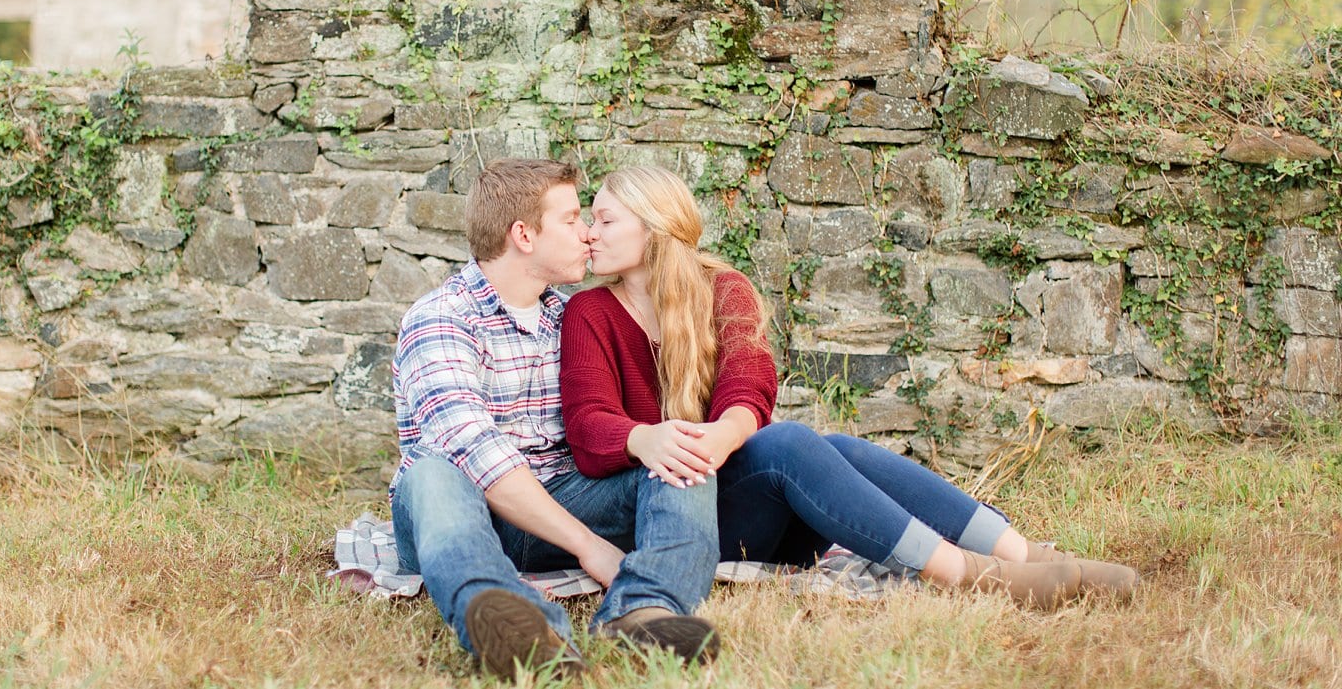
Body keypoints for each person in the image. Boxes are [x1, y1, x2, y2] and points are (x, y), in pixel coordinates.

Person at [560, 165, 1138, 611]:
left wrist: (721, 436)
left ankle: (1027, 556)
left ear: (655, 226)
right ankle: (969, 576)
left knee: (832, 449)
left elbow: (750, 384)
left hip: (766, 517)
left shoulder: (722, 288)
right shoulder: (589, 313)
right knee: (788, 445)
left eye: (605, 219)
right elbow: (589, 429)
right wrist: (648, 439)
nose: (589, 233)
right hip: (690, 521)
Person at [390, 158, 722, 680]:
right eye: (571, 220)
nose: (588, 233)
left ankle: (644, 612)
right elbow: (479, 456)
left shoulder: (569, 316)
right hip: (460, 512)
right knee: (432, 473)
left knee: (680, 459)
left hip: (560, 501)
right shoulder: (441, 319)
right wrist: (589, 547)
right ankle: (517, 625)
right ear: (524, 234)